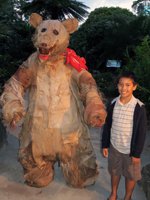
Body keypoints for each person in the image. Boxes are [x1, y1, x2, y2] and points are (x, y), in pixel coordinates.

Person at [101, 71, 147, 200]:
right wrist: (105, 144)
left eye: (128, 85)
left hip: (130, 151)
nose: (124, 88)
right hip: (114, 146)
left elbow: (141, 133)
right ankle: (114, 193)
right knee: (115, 172)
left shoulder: (139, 107)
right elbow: (107, 126)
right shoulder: (112, 103)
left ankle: (128, 196)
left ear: (134, 86)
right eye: (121, 84)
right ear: (117, 86)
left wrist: (136, 154)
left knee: (131, 175)